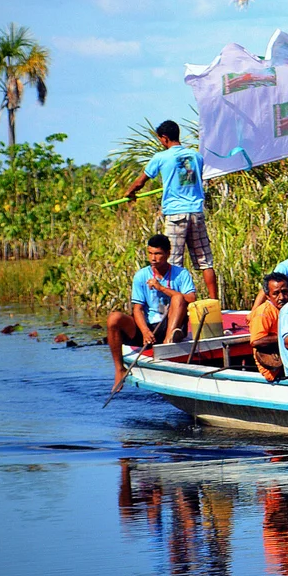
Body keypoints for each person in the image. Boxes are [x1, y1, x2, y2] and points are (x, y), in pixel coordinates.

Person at [123, 120, 218, 301]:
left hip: (176, 214)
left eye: (160, 139)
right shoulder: (196, 156)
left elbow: (140, 182)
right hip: (196, 213)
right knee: (206, 262)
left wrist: (130, 192)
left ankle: (175, 305)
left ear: (165, 138)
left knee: (173, 262)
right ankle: (215, 304)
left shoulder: (161, 157)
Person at [108, 233, 197, 390]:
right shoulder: (141, 275)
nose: (153, 258)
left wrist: (161, 288)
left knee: (178, 298)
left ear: (168, 254)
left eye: (157, 254)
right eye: (150, 253)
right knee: (114, 318)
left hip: (172, 323)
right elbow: (137, 308)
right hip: (149, 326)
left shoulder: (181, 273)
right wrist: (144, 331)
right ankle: (119, 368)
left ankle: (167, 343)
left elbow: (191, 298)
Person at [248, 272, 288, 382]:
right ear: (268, 296)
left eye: (284, 292)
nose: (281, 297)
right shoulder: (263, 313)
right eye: (276, 293)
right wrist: (285, 337)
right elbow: (255, 341)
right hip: (272, 368)